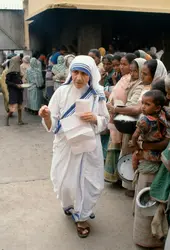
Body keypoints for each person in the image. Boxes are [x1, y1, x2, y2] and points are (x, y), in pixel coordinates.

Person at [39, 55, 109, 238]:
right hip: (66, 146)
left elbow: (105, 121)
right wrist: (46, 115)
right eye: (75, 72)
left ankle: (82, 217)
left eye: (83, 74)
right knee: (64, 182)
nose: (78, 78)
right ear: (70, 73)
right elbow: (52, 122)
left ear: (90, 75)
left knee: (88, 182)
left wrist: (95, 119)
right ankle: (70, 206)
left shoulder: (97, 94)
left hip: (88, 147)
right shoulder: (61, 92)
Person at [104, 56, 145, 183]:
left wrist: (116, 108)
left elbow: (134, 107)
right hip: (122, 118)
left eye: (123, 64)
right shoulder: (126, 79)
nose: (121, 67)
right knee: (121, 148)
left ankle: (127, 181)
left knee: (128, 151)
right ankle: (119, 177)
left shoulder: (140, 85)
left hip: (130, 120)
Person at [129, 90, 167, 170]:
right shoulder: (162, 116)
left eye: (147, 104)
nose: (143, 106)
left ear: (157, 108)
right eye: (142, 103)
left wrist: (135, 147)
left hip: (145, 153)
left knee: (135, 166)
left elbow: (135, 136)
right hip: (157, 154)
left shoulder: (144, 120)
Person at [6, 56, 24, 126]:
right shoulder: (10, 72)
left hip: (19, 90)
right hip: (13, 91)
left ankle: (20, 121)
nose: (20, 62)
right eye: (19, 61)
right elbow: (7, 82)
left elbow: (19, 81)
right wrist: (16, 85)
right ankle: (7, 120)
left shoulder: (18, 71)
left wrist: (22, 85)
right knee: (13, 107)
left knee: (20, 106)